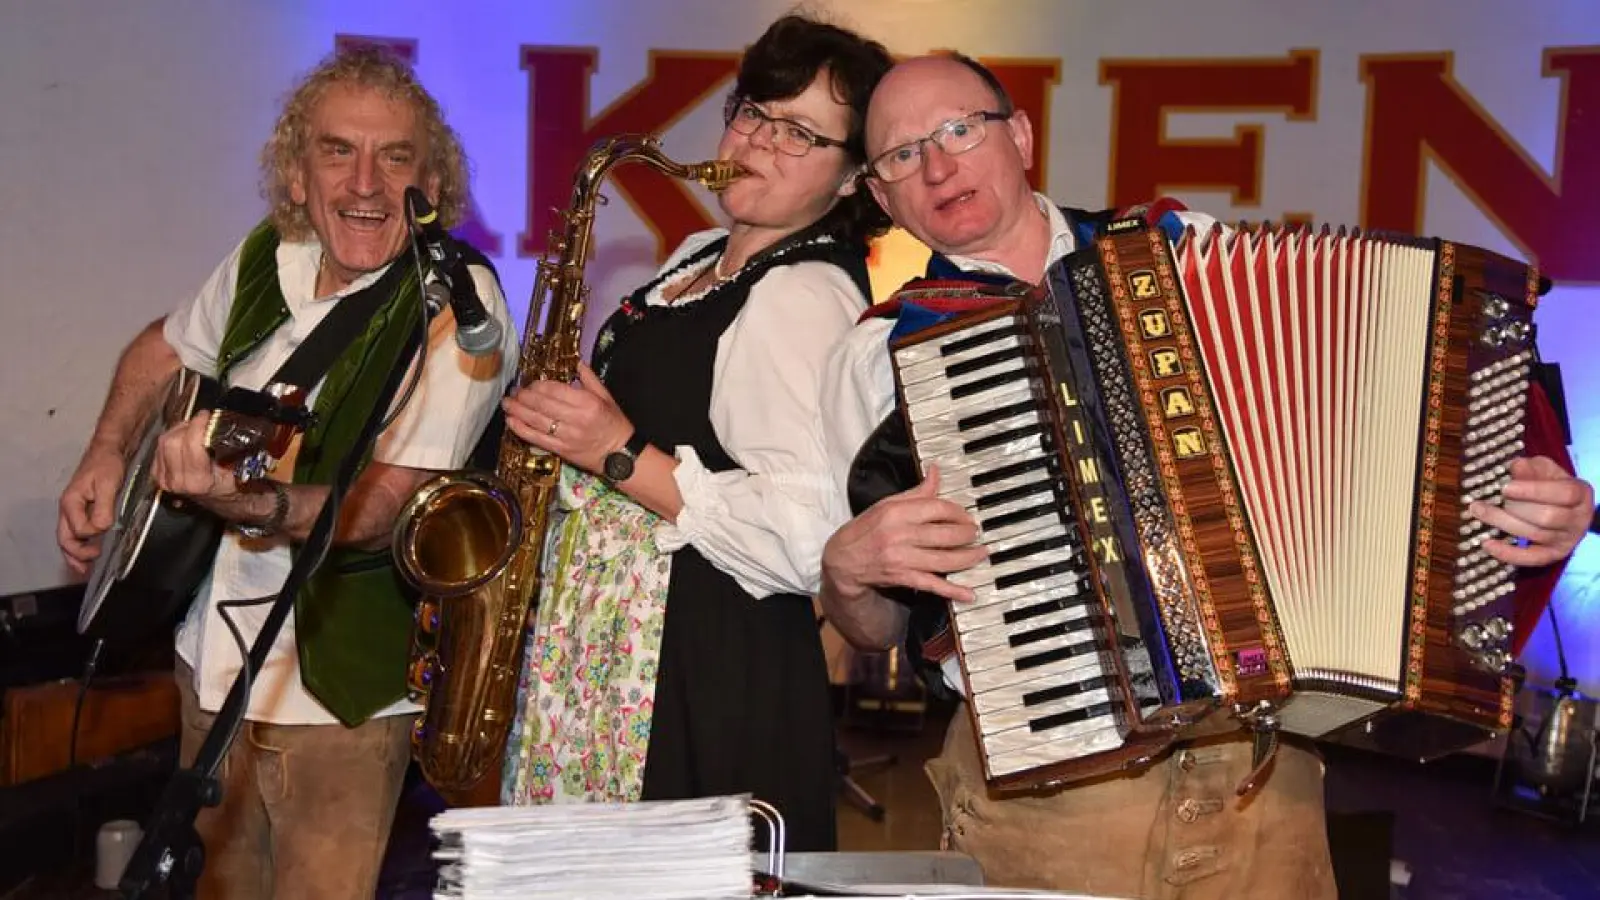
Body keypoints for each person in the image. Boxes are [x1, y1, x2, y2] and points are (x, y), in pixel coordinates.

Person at [816, 52, 1596, 898]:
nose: (936, 165)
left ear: (1022, 135)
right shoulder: (875, 357)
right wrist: (845, 571)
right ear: (883, 197)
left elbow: (1395, 425)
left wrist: (1540, 505)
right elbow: (874, 629)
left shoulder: (1187, 252)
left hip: (1265, 787)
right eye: (900, 155)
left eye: (959, 129)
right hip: (1050, 801)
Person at [56, 47, 516, 899]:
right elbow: (166, 345)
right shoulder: (269, 255)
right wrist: (107, 448)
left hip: (336, 706)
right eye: (338, 151)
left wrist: (239, 499)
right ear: (297, 176)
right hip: (212, 673)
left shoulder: (459, 305)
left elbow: (380, 507)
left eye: (396, 156)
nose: (365, 183)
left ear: (434, 186)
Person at [496, 14, 893, 852]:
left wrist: (615, 449)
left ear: (853, 179)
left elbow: (806, 538)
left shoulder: (802, 296)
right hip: (618, 651)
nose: (757, 140)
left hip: (698, 674)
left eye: (799, 132)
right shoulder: (700, 252)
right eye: (752, 111)